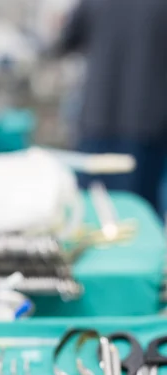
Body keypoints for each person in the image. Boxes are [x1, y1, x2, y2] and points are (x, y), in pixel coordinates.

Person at [53, 0, 167, 215]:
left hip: (97, 120)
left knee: (91, 212)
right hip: (148, 126)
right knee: (140, 217)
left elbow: (65, 41)